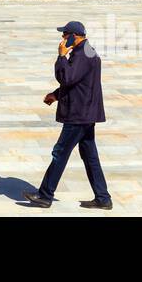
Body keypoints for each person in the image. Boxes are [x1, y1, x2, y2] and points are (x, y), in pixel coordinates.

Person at [22, 20, 112, 210]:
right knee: (90, 156)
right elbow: (77, 83)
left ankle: (45, 195)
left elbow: (67, 77)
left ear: (74, 37)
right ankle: (103, 198)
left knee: (60, 152)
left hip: (78, 115)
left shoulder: (81, 56)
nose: (62, 38)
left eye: (65, 35)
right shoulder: (87, 52)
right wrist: (56, 95)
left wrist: (61, 56)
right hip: (86, 113)